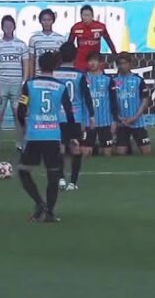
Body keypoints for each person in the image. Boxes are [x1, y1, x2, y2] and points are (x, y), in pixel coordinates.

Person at [16, 51, 75, 222]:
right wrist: (70, 137)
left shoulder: (30, 84)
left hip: (34, 134)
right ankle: (49, 212)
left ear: (39, 66)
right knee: (53, 174)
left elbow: (21, 109)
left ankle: (39, 202)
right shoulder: (61, 87)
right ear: (56, 66)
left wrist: (24, 124)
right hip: (53, 135)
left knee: (23, 171)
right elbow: (70, 114)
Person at [53, 42, 92, 190]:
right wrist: (91, 116)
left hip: (58, 116)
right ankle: (73, 183)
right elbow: (86, 97)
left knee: (60, 147)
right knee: (76, 148)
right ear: (75, 56)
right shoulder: (79, 75)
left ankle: (61, 178)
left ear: (61, 56)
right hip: (75, 117)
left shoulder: (54, 73)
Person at [0, 15, 28, 155]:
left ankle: (19, 143)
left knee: (18, 115)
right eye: (6, 26)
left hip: (17, 85)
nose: (8, 28)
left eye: (10, 26)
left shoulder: (21, 45)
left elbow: (25, 65)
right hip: (1, 85)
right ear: (2, 27)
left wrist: (24, 83)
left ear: (14, 27)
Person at [112, 52, 152, 156]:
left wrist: (135, 117)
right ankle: (126, 144)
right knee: (120, 153)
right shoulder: (113, 81)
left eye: (124, 63)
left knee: (147, 152)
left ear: (130, 64)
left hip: (137, 122)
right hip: (122, 123)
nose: (122, 66)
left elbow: (145, 100)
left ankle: (130, 143)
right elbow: (110, 102)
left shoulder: (138, 80)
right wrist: (118, 118)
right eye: (120, 63)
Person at [85, 52, 117, 157]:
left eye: (95, 60)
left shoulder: (108, 80)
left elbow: (113, 101)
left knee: (107, 154)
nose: (92, 63)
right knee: (86, 153)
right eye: (90, 60)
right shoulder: (83, 79)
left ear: (100, 63)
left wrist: (114, 121)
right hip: (88, 123)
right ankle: (94, 148)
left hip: (105, 122)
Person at [68, 4, 117, 72]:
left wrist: (114, 53)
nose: (86, 17)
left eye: (88, 15)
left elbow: (108, 40)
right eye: (84, 15)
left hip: (95, 59)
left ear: (92, 16)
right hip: (80, 60)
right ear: (81, 16)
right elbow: (69, 44)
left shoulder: (100, 27)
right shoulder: (76, 28)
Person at [27, 8, 65, 79]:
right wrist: (31, 78)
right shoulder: (34, 39)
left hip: (56, 76)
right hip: (39, 75)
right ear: (40, 21)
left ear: (53, 21)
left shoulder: (61, 39)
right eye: (44, 20)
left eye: (49, 20)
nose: (46, 23)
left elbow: (62, 60)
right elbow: (32, 61)